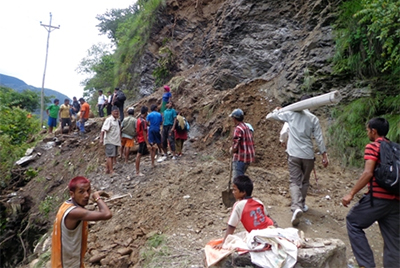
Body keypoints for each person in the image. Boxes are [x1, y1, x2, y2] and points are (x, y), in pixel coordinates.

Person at [342, 118, 399, 268]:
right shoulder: (397, 149)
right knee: (393, 240)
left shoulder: (373, 147)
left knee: (353, 221)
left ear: (374, 131)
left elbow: (368, 173)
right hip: (396, 201)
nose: (367, 132)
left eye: (368, 130)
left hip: (378, 199)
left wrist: (351, 193)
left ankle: (366, 265)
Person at [266, 95, 328, 227]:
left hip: (293, 154)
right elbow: (319, 138)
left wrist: (279, 110)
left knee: (294, 181)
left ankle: (296, 207)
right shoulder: (313, 119)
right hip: (308, 155)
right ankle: (302, 204)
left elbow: (270, 116)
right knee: (304, 181)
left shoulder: (290, 114)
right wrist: (324, 154)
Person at [51, 176, 112, 267]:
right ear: (72, 194)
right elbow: (107, 214)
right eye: (81, 192)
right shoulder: (74, 212)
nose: (87, 195)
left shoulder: (66, 205)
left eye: (88, 190)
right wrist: (97, 197)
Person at [214, 175, 276, 249]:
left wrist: (224, 243)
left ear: (243, 192)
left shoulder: (239, 205)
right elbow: (267, 217)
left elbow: (231, 226)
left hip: (260, 236)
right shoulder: (258, 201)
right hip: (271, 229)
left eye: (235, 190)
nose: (233, 192)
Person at [229, 108, 255, 180]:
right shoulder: (247, 127)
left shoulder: (238, 129)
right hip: (248, 158)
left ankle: (240, 190)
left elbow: (236, 144)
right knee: (240, 178)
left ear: (234, 118)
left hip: (240, 158)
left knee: (237, 180)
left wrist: (232, 150)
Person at [100, 107, 121, 175]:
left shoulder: (117, 120)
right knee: (110, 156)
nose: (116, 113)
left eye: (117, 112)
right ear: (111, 112)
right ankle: (111, 171)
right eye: (115, 111)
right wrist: (101, 139)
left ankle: (107, 169)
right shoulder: (109, 120)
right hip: (110, 140)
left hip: (115, 140)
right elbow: (103, 130)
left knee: (111, 155)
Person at [135, 106, 151, 176]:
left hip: (139, 138)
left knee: (140, 154)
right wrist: (147, 143)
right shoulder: (143, 121)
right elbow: (144, 132)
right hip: (142, 139)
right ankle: (137, 172)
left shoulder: (138, 119)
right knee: (139, 155)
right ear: (145, 112)